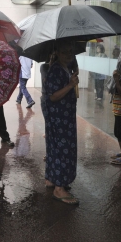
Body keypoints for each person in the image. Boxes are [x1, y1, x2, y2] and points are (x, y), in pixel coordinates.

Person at [44, 41, 80, 205]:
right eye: (65, 52)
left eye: (71, 51)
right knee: (62, 150)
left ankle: (52, 179)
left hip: (64, 118)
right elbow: (52, 96)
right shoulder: (55, 70)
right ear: (57, 52)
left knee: (56, 147)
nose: (69, 54)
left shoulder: (65, 67)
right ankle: (59, 189)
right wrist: (70, 85)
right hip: (60, 119)